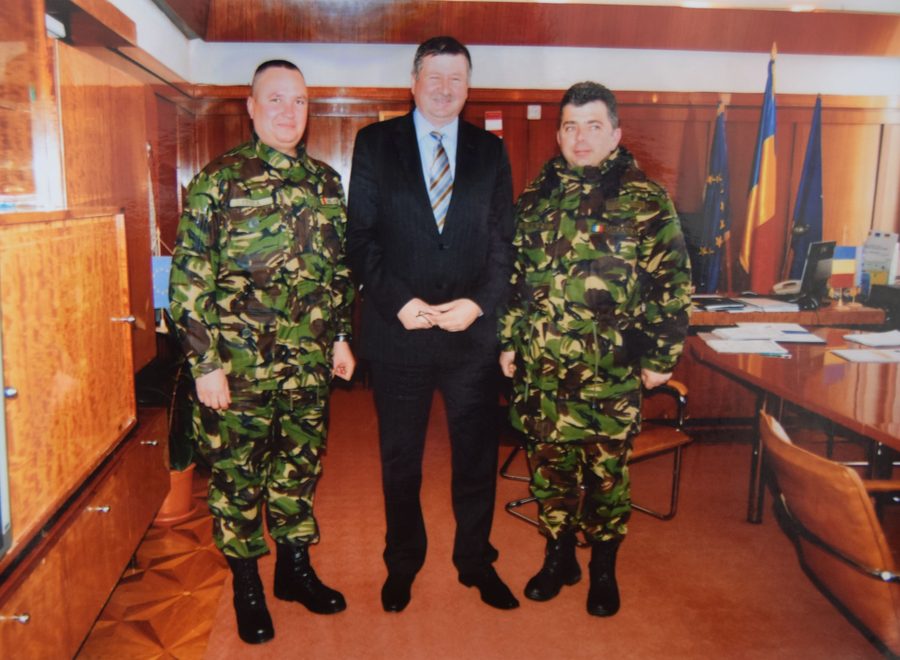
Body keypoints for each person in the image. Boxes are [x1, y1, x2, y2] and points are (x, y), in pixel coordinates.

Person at [169, 59, 355, 645]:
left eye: (298, 101)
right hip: (238, 370)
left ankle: (294, 572)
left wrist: (341, 336)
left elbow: (338, 272)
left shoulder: (326, 182)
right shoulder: (218, 181)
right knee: (237, 478)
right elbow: (188, 281)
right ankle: (247, 585)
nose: (288, 112)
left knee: (299, 468)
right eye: (275, 99)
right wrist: (204, 366)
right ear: (250, 107)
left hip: (307, 366)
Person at [498, 81, 692, 617]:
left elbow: (673, 283)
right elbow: (515, 280)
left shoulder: (645, 200)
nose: (580, 138)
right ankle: (559, 556)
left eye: (593, 126)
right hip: (542, 370)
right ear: (558, 134)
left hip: (610, 372)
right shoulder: (535, 199)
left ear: (615, 134)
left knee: (606, 478)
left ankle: (604, 568)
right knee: (549, 472)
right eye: (571, 126)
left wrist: (661, 358)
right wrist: (509, 340)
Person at [347, 36, 518, 613]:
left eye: (457, 79)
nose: (445, 89)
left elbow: (503, 245)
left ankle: (476, 561)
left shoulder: (491, 152)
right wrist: (398, 302)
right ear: (414, 82)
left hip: (471, 337)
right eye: (435, 77)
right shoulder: (375, 144)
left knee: (475, 458)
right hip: (400, 334)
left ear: (469, 87)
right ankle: (402, 563)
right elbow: (360, 239)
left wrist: (479, 304)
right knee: (401, 460)